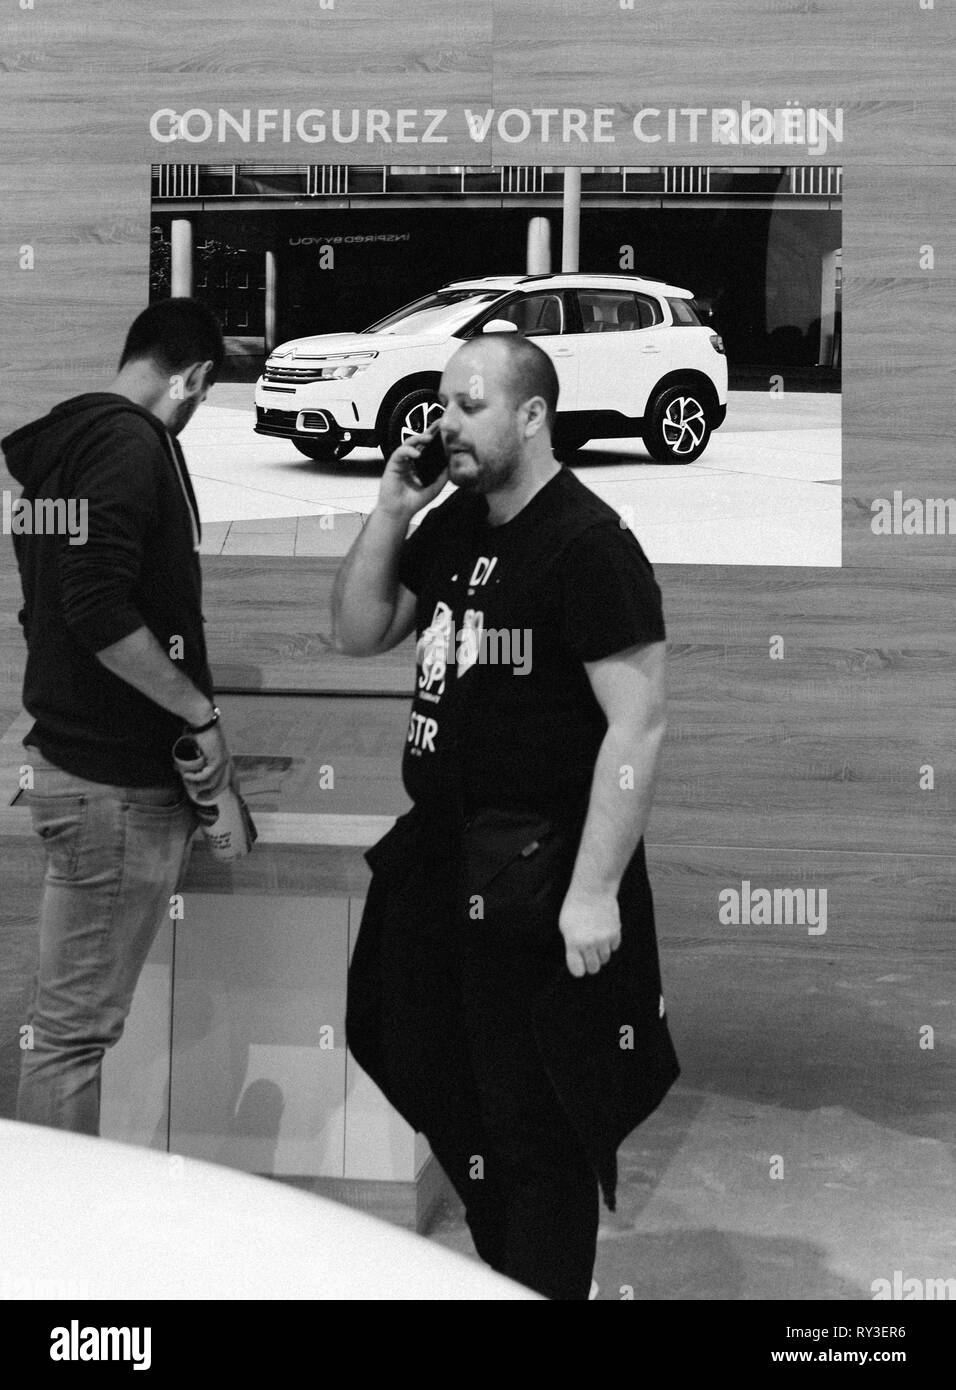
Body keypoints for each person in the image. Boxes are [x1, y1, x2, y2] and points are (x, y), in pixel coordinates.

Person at [334, 331, 680, 1300]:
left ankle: (534, 1276)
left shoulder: (587, 544)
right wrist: (390, 510)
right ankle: (508, 1252)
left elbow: (636, 725)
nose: (443, 421)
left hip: (536, 871)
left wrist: (593, 892)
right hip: (445, 857)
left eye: (467, 403)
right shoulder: (450, 524)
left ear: (530, 414)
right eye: (440, 402)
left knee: (535, 1119)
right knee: (395, 1028)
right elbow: (357, 628)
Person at [2, 297, 235, 1136]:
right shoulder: (134, 448)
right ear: (194, 377)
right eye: (204, 397)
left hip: (73, 771)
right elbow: (97, 610)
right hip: (113, 789)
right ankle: (57, 1247)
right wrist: (197, 712)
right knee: (69, 1040)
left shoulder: (61, 446)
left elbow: (51, 611)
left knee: (63, 1032)